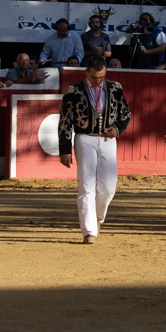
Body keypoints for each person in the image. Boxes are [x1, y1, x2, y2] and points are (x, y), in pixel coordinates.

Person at [58, 56, 132, 244]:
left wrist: (117, 128)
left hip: (108, 139)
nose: (98, 81)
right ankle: (89, 231)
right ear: (86, 73)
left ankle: (97, 217)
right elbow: (65, 122)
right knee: (86, 185)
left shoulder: (115, 88)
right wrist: (65, 149)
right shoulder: (73, 91)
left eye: (101, 77)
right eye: (94, 77)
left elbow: (126, 113)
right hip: (85, 139)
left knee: (108, 188)